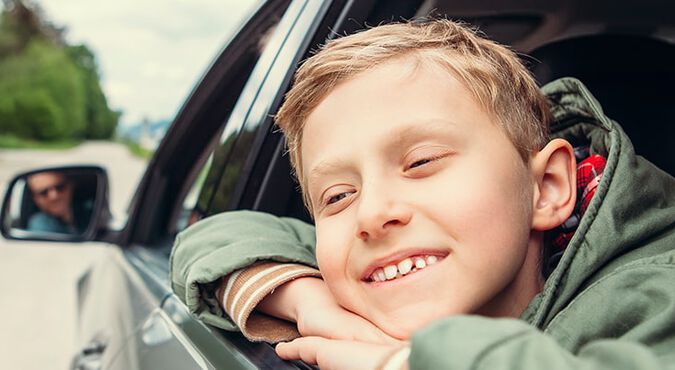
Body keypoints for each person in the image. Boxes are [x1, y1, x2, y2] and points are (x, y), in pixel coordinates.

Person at [170, 19, 675, 369]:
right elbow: (213, 236)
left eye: (421, 162)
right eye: (338, 196)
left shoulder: (654, 290)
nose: (371, 213)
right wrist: (309, 303)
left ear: (547, 189)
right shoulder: (369, 267)